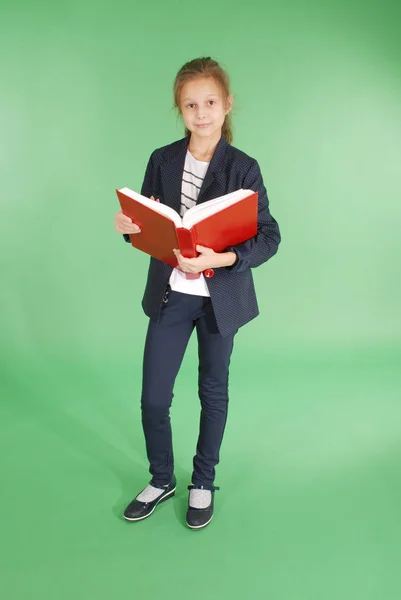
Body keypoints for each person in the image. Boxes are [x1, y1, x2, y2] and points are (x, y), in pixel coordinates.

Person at [114, 57, 281, 530]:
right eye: (190, 104)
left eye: (210, 102)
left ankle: (203, 481)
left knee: (213, 391)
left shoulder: (244, 168)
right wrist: (128, 227)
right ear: (179, 109)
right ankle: (161, 477)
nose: (201, 112)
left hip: (219, 298)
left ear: (227, 106)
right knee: (153, 398)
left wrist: (221, 259)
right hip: (170, 294)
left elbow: (268, 236)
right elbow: (147, 221)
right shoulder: (162, 159)